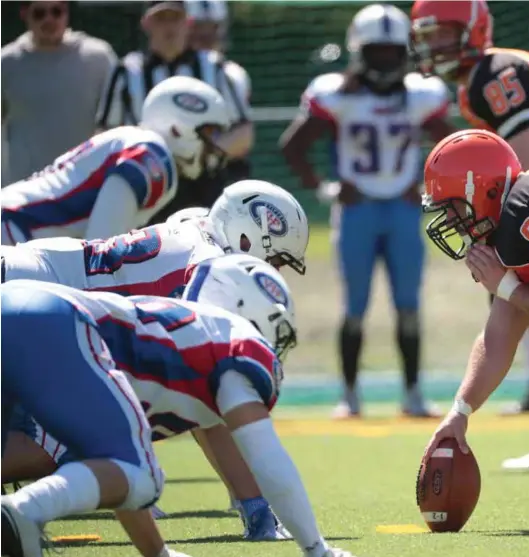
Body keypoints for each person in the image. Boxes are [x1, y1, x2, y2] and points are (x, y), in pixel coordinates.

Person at [0, 179, 309, 540]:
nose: (275, 273)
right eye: (275, 260)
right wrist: (255, 504)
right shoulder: (209, 268)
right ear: (247, 238)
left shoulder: (196, 230)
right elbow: (207, 393)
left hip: (25, 279)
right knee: (54, 447)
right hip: (35, 300)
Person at [1, 256, 357, 557]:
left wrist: (159, 553)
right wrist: (317, 549)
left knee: (125, 468)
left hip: (17, 304)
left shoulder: (177, 336)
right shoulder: (238, 343)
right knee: (141, 471)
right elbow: (265, 458)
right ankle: (25, 512)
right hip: (56, 320)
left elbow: (117, 475)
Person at [411, 0, 529, 470]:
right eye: (426, 36)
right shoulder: (482, 77)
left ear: (473, 29)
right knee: (524, 302)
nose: (433, 46)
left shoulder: (492, 74)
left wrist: (511, 232)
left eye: (443, 33)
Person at [281, 4, 455, 418]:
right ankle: (349, 393)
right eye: (376, 51)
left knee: (408, 304)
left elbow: (452, 146)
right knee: (355, 306)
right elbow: (292, 146)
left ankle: (412, 393)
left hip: (402, 209)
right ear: (360, 50)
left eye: (391, 51)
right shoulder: (337, 94)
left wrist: (429, 186)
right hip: (358, 212)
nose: (384, 59)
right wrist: (326, 189)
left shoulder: (420, 94)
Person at [1, 76, 230, 246]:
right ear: (178, 128)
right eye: (209, 131)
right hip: (14, 233)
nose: (213, 144)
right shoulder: (152, 155)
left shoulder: (135, 140)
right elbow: (99, 250)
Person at [96, 1, 253, 219]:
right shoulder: (126, 71)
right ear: (146, 23)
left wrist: (200, 152)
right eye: (161, 19)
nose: (168, 27)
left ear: (188, 22)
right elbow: (103, 135)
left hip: (206, 188)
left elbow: (243, 133)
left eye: (175, 18)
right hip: (147, 189)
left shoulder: (214, 67)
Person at [1, 1, 117, 186]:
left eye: (57, 11)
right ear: (24, 14)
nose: (49, 19)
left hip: (84, 187)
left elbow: (115, 124)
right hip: (24, 191)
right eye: (39, 13)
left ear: (67, 13)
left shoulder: (99, 58)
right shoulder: (6, 63)